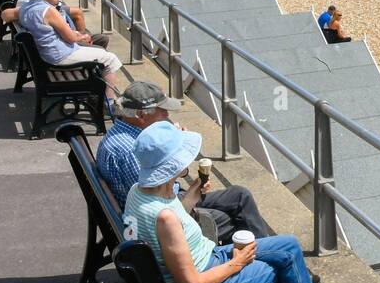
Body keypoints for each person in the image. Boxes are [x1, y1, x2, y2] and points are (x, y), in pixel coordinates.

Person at [125, 121, 356, 283]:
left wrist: (194, 192)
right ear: (172, 165)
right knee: (283, 270)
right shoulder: (165, 218)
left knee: (289, 245)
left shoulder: (139, 192)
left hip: (205, 263)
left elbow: (170, 221)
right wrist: (237, 263)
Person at [97, 82, 275, 245]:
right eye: (162, 110)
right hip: (162, 215)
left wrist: (170, 145)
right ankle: (262, 256)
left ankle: (264, 249)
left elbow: (155, 184)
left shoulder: (128, 135)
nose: (167, 115)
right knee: (230, 218)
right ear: (142, 115)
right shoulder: (131, 150)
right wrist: (178, 153)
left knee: (239, 195)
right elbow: (157, 196)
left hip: (163, 201)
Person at [17, 0, 122, 98]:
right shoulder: (49, 11)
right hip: (58, 57)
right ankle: (109, 102)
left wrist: (77, 35)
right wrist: (82, 37)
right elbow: (71, 39)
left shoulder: (26, 7)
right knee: (110, 59)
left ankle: (101, 95)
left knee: (99, 51)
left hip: (44, 56)